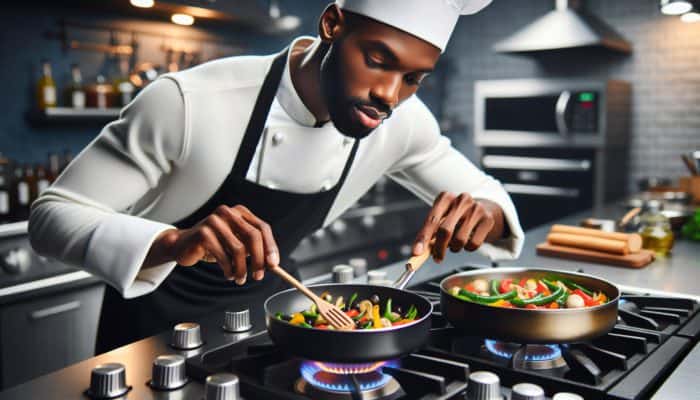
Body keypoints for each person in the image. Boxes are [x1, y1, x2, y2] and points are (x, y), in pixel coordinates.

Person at [28, 0, 523, 353]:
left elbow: (492, 201)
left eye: (414, 79)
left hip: (280, 324)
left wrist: (483, 212)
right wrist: (175, 242)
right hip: (150, 332)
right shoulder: (187, 102)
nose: (390, 95)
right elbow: (51, 216)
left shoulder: (402, 123)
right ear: (332, 23)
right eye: (377, 60)